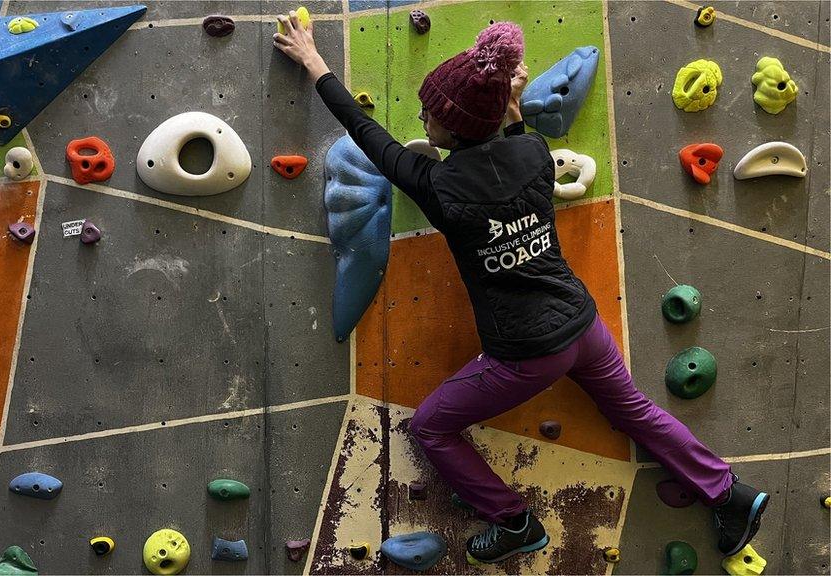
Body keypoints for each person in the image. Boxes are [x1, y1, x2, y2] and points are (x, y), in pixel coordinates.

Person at [273, 12, 769, 565]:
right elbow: (510, 140)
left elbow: (367, 134)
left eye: (430, 115)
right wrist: (509, 108)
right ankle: (729, 493)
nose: (422, 119)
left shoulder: (440, 185)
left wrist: (314, 60)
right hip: (582, 324)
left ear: (454, 131)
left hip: (525, 354)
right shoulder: (533, 153)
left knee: (433, 427)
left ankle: (513, 521)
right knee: (634, 410)